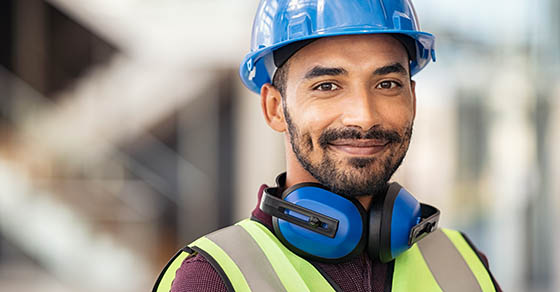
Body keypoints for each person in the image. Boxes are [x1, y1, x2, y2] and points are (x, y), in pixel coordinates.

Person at [153, 0, 502, 291]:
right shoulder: (213, 279)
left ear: (412, 97)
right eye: (327, 86)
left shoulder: (465, 265)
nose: (364, 117)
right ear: (275, 109)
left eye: (387, 84)